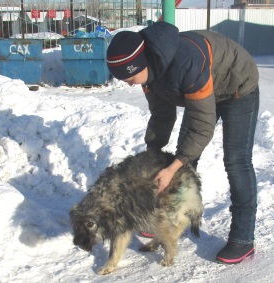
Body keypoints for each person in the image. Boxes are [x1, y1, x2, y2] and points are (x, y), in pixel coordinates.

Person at [106, 21, 259, 265]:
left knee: (236, 161)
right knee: (182, 162)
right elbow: (162, 116)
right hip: (201, 89)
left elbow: (202, 125)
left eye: (130, 77)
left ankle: (243, 238)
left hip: (235, 86)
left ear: (142, 64)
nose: (129, 83)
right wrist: (152, 158)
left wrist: (171, 167)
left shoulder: (185, 63)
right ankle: (171, 218)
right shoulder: (149, 74)